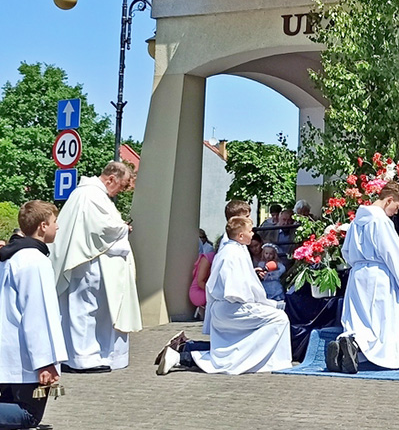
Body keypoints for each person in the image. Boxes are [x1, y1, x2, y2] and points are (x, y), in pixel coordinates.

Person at [157, 216, 293, 375]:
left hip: (226, 307)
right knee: (279, 319)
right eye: (250, 231)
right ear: (241, 236)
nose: (252, 234)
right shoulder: (233, 254)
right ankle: (266, 362)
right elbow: (236, 291)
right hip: (233, 308)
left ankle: (182, 356)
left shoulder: (232, 250)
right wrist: (263, 303)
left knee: (252, 334)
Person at [326, 182, 399, 374]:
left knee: (359, 317)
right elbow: (392, 252)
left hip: (357, 274)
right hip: (377, 275)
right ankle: (355, 344)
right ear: (389, 200)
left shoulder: (357, 221)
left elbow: (346, 251)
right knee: (380, 320)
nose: (395, 212)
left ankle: (347, 344)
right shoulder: (381, 221)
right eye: (396, 207)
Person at [50, 161, 142, 373]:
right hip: (86, 265)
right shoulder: (90, 195)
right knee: (84, 309)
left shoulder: (89, 194)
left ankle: (87, 355)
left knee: (87, 309)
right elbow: (102, 228)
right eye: (122, 185)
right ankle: (83, 358)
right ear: (111, 178)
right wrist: (123, 228)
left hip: (87, 263)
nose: (121, 191)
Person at [0, 201, 67, 429]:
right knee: (28, 416)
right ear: (42, 226)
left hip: (8, 355)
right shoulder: (34, 261)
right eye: (54, 222)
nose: (57, 227)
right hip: (24, 361)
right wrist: (45, 362)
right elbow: (37, 314)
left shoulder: (10, 256)